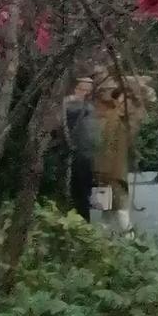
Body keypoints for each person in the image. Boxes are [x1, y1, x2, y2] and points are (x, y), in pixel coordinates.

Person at [91, 73, 153, 234]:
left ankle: (118, 237)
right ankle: (120, 238)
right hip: (108, 171)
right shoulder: (112, 115)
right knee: (112, 209)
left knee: (112, 209)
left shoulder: (119, 116)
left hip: (109, 170)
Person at [63, 76, 97, 221]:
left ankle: (83, 221)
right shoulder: (73, 107)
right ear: (76, 89)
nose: (85, 93)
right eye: (83, 89)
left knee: (83, 192)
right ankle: (81, 221)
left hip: (87, 155)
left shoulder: (90, 108)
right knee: (80, 192)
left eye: (89, 91)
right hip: (78, 154)